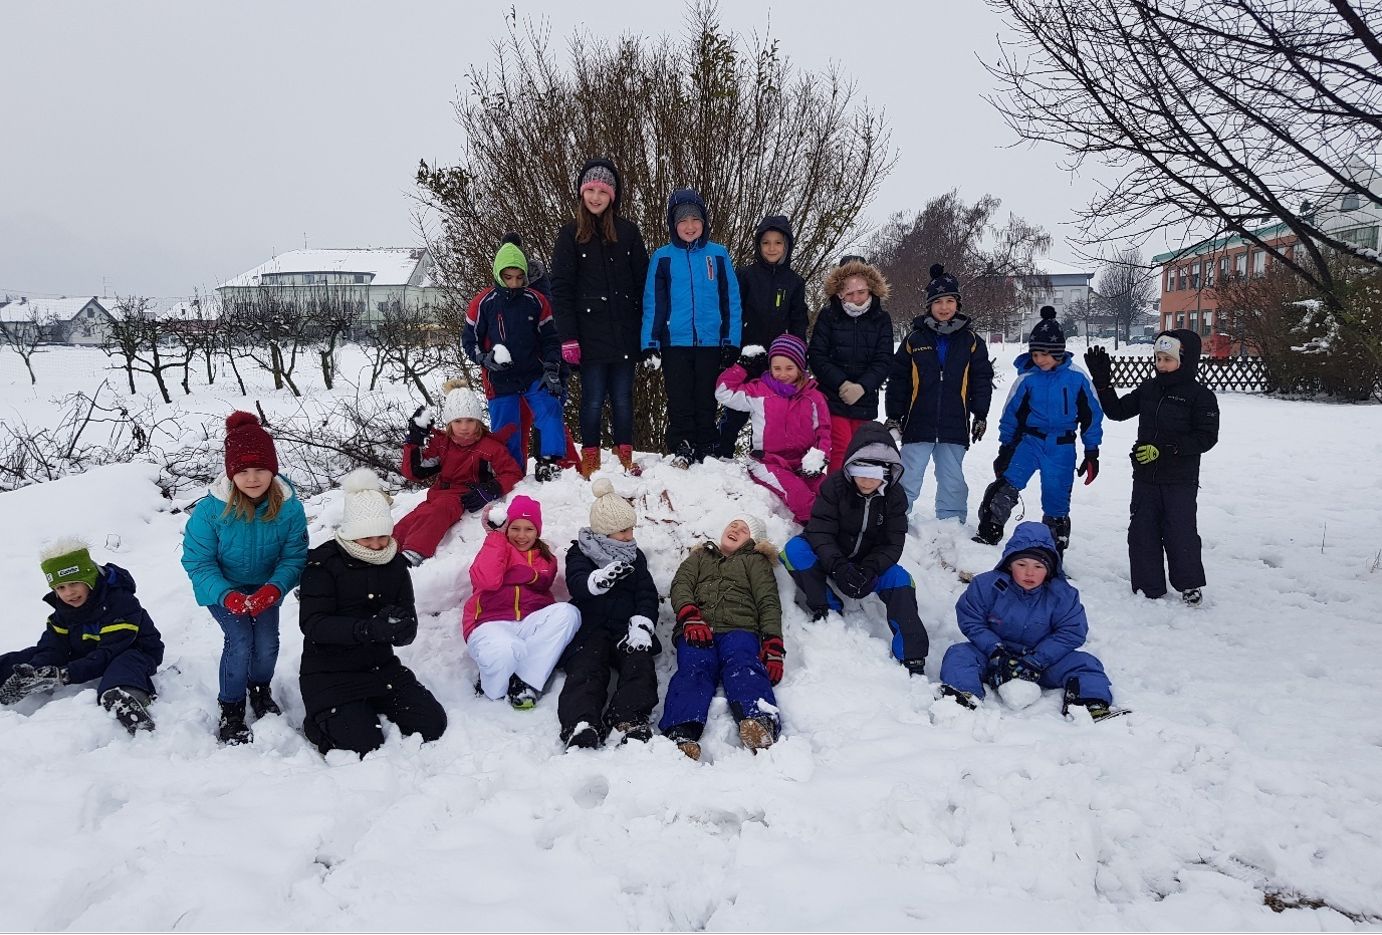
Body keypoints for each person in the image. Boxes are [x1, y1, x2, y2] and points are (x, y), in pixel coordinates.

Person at [297, 469, 447, 757]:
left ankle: (366, 707)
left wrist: (399, 628)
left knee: (431, 724)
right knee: (363, 745)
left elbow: (409, 624)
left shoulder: (394, 563)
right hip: (330, 673)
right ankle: (323, 721)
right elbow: (314, 625)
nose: (377, 545)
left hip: (380, 668)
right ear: (351, 532)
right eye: (367, 538)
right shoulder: (323, 564)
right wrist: (367, 629)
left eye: (382, 536)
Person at [181, 412, 308, 745]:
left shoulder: (289, 508)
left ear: (273, 469)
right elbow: (198, 561)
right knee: (239, 640)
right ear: (231, 473)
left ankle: (259, 689)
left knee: (266, 643)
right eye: (243, 471)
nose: (252, 479)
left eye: (260, 469)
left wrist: (275, 588)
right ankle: (231, 707)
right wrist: (227, 595)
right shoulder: (211, 510)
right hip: (223, 588)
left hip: (266, 586)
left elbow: (294, 556)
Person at [781, 422, 929, 675]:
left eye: (875, 473)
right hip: (832, 556)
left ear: (888, 471)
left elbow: (893, 542)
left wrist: (871, 568)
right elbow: (820, 531)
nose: (867, 479)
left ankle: (912, 654)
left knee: (901, 580)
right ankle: (827, 607)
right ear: (850, 466)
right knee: (794, 551)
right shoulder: (835, 487)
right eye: (861, 470)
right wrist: (838, 566)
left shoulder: (895, 497)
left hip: (868, 563)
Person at [1084, 330, 1220, 605]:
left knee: (1180, 532)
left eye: (1167, 359)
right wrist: (1103, 383)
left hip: (1180, 479)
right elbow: (1117, 411)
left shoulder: (1200, 396)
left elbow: (1206, 437)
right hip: (1145, 476)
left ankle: (1189, 584)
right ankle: (1148, 586)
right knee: (1142, 531)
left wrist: (1167, 449)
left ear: (1185, 360)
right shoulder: (1149, 389)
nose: (1161, 365)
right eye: (1158, 358)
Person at [938, 521, 1118, 720]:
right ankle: (964, 695)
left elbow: (1072, 631)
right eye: (1022, 565)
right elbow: (971, 618)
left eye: (1038, 566)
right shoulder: (987, 586)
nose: (1029, 573)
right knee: (959, 654)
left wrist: (1038, 660)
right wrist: (995, 650)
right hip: (993, 659)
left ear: (1049, 569)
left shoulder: (1062, 595)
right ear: (1009, 564)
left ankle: (1089, 703)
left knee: (1085, 663)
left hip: (1043, 663)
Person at [0, 539, 164, 734]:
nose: (69, 593)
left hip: (133, 651)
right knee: (30, 655)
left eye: (74, 583)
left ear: (90, 578)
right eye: (60, 588)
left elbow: (109, 653)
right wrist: (36, 671)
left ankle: (127, 698)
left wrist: (64, 674)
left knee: (123, 663)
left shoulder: (121, 603)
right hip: (86, 651)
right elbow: (53, 649)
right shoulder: (62, 612)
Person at [974, 306, 1104, 551]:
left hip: (1062, 447)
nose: (1039, 359)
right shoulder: (1027, 379)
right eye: (1035, 354)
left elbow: (1092, 416)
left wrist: (1091, 452)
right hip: (1029, 443)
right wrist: (1006, 448)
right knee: (1006, 485)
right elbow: (1011, 415)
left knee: (1057, 499)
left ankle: (1053, 547)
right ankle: (988, 534)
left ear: (1058, 352)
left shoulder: (1077, 378)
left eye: (1045, 354)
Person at [551, 158, 651, 477]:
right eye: (590, 190)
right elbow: (561, 290)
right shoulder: (570, 235)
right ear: (582, 193)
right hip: (589, 336)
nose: (596, 197)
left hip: (625, 334)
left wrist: (647, 333)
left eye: (603, 191)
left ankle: (625, 454)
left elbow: (644, 285)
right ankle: (591, 456)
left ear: (612, 196)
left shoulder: (628, 233)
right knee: (592, 400)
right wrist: (568, 337)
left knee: (623, 399)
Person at [659, 514, 784, 760]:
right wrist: (689, 615)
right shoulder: (700, 557)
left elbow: (768, 601)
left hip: (740, 627)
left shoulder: (755, 562)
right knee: (694, 667)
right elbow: (681, 584)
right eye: (732, 524)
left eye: (743, 529)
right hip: (697, 626)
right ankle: (681, 731)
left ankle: (759, 720)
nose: (735, 529)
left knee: (743, 663)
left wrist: (773, 644)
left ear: (754, 541)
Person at [641, 188, 743, 467]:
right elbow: (653, 303)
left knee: (706, 397)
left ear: (704, 222)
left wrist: (731, 340)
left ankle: (707, 444)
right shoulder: (662, 257)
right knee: (679, 397)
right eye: (683, 220)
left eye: (695, 219)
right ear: (673, 224)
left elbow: (731, 300)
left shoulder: (718, 255)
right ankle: (683, 444)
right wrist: (650, 343)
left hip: (711, 342)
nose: (689, 226)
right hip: (674, 342)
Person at [557, 478, 661, 749]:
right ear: (604, 531)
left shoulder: (635, 556)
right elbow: (576, 581)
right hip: (591, 627)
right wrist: (596, 581)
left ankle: (628, 717)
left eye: (631, 529)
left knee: (639, 664)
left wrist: (642, 624)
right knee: (586, 668)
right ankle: (581, 723)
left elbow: (646, 594)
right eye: (622, 531)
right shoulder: (580, 552)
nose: (629, 536)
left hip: (625, 628)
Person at [885, 263, 994, 522]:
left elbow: (981, 379)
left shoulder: (971, 341)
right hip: (917, 422)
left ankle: (951, 520)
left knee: (952, 477)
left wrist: (980, 414)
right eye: (938, 302)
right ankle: (895, 517)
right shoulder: (914, 339)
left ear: (957, 303)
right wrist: (894, 415)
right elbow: (898, 379)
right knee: (908, 474)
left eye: (949, 301)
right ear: (929, 306)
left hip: (954, 423)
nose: (944, 307)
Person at [464, 495, 581, 709]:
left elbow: (543, 579)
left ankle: (524, 680)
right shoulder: (495, 547)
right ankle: (493, 687)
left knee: (568, 613)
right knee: (506, 648)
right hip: (490, 623)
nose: (521, 535)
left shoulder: (546, 557)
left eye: (529, 529)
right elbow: (486, 580)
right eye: (515, 528)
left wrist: (523, 575)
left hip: (529, 623)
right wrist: (496, 537)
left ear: (538, 531)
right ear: (506, 528)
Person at [463, 239, 566, 481]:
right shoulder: (483, 303)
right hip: (500, 378)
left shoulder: (536, 300)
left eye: (519, 277)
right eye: (508, 277)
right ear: (498, 274)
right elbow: (469, 340)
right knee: (506, 429)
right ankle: (511, 474)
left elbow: (551, 339)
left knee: (550, 410)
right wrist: (484, 358)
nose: (514, 283)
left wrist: (552, 368)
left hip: (534, 373)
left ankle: (549, 464)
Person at [394, 382, 522, 567]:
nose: (464, 427)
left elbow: (512, 473)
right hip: (438, 494)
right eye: (457, 421)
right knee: (412, 519)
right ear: (449, 423)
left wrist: (490, 489)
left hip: (463, 496)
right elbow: (414, 472)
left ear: (478, 421)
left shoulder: (491, 447)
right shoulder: (442, 444)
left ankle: (415, 551)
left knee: (439, 512)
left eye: (470, 420)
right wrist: (414, 442)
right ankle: (387, 548)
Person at [718, 215, 809, 456]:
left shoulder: (794, 282)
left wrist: (799, 358)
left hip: (777, 363)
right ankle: (721, 456)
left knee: (769, 415)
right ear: (758, 245)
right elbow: (732, 312)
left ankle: (760, 458)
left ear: (787, 246)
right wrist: (731, 349)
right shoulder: (745, 275)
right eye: (766, 242)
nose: (771, 248)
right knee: (735, 413)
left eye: (778, 243)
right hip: (746, 357)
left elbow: (799, 321)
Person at [714, 334, 831, 523]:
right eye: (777, 368)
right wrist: (742, 367)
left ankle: (841, 527)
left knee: (829, 491)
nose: (782, 374)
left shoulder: (813, 397)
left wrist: (819, 457)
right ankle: (814, 529)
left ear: (800, 367)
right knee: (798, 494)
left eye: (789, 368)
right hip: (767, 462)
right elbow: (723, 392)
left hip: (802, 463)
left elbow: (823, 431)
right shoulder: (759, 391)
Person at [807, 257, 896, 472]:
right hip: (832, 396)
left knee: (860, 451)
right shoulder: (828, 316)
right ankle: (835, 491)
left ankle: (856, 491)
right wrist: (842, 383)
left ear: (871, 289)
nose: (856, 298)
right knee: (840, 448)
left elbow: (884, 359)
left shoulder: (881, 319)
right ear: (839, 293)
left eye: (861, 292)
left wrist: (863, 386)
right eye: (849, 293)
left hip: (865, 400)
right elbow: (817, 355)